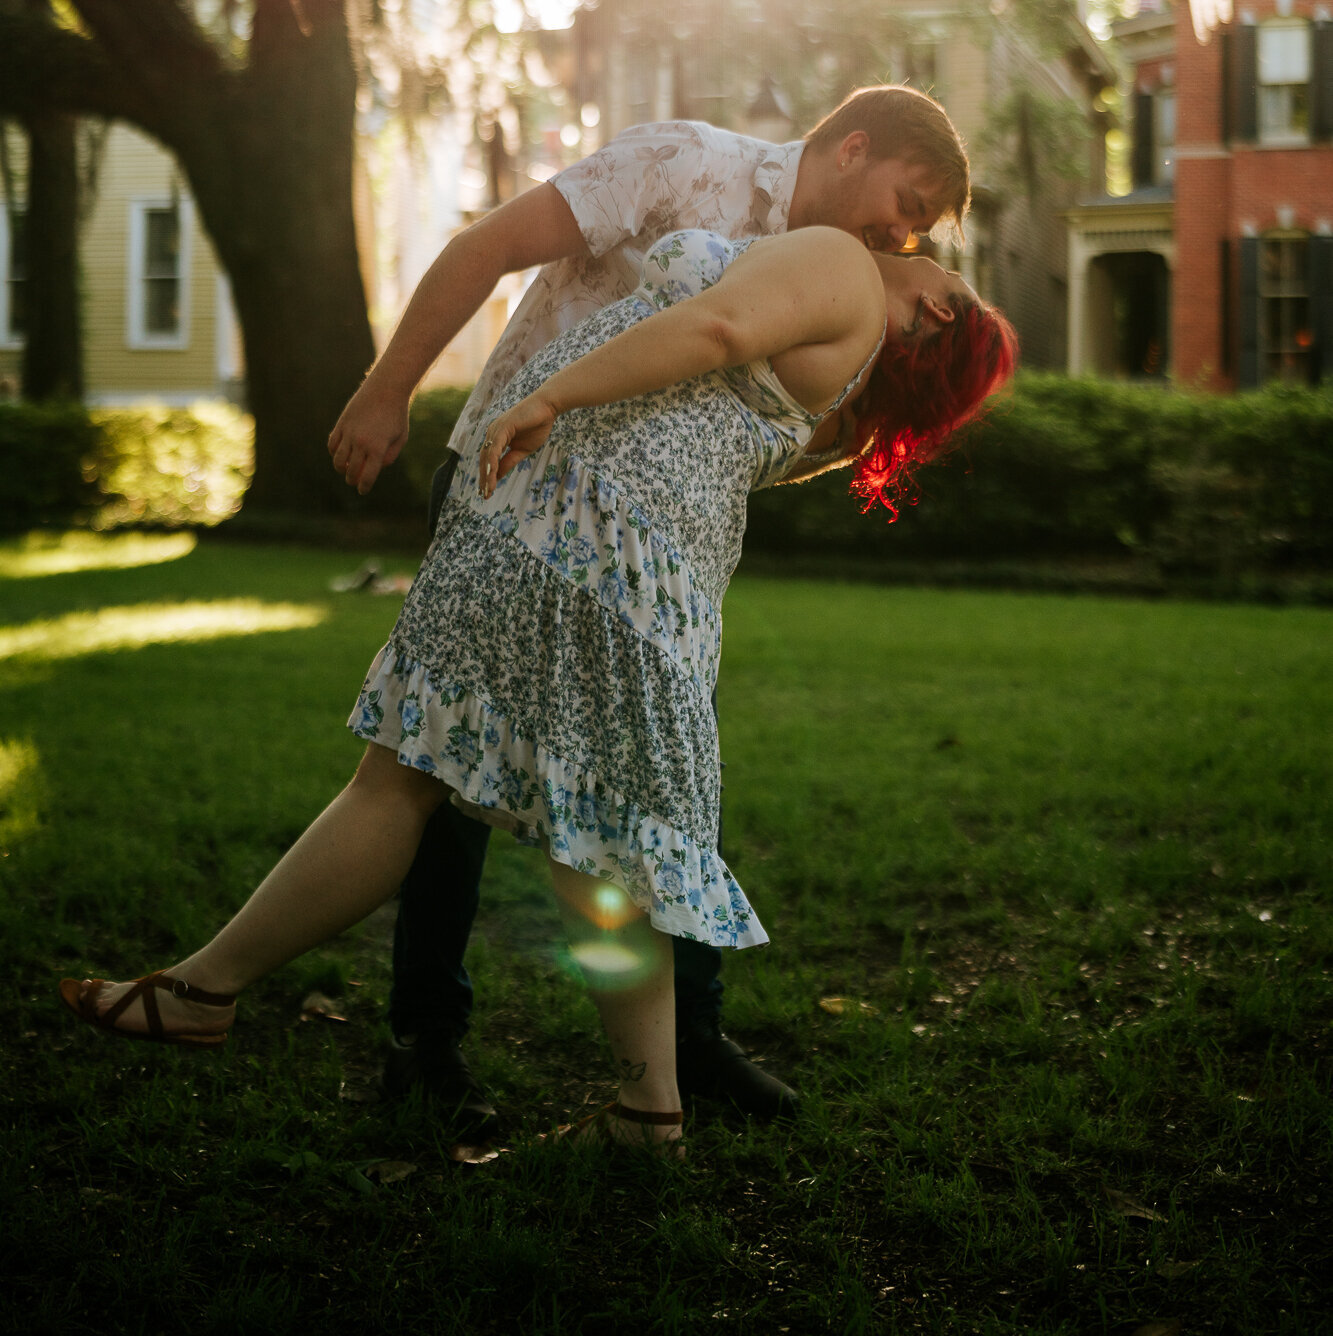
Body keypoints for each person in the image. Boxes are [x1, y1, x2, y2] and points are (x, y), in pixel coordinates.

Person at [60, 224, 1018, 1155]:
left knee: (406, 772)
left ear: (936, 304)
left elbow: (717, 329)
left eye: (934, 241)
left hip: (569, 526)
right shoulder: (849, 392)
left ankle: (202, 993)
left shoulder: (843, 267)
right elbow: (729, 433)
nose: (916, 232)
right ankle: (649, 1108)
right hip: (645, 574)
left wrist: (547, 397)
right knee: (586, 821)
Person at [328, 85, 973, 1131]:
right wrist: (385, 388)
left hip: (644, 559)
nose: (903, 232)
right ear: (854, 146)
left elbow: (759, 434)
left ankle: (685, 1049)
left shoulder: (843, 278)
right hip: (515, 484)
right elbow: (487, 245)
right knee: (443, 762)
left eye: (919, 228)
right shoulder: (683, 163)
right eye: (906, 199)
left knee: (655, 778)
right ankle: (428, 1040)